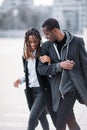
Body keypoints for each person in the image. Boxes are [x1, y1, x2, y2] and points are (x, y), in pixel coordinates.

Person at [38, 18, 87, 130]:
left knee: (60, 121)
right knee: (71, 120)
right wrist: (59, 65)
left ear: (55, 30)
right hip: (56, 89)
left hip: (72, 88)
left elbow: (85, 66)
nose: (45, 37)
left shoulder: (77, 42)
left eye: (47, 34)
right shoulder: (46, 46)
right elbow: (41, 69)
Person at [13, 28, 50, 130]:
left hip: (42, 92)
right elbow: (28, 74)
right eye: (30, 42)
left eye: (35, 41)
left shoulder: (43, 54)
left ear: (39, 40)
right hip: (31, 92)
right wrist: (20, 80)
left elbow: (50, 71)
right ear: (26, 42)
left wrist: (49, 60)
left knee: (32, 119)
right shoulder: (25, 57)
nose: (33, 44)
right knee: (42, 117)